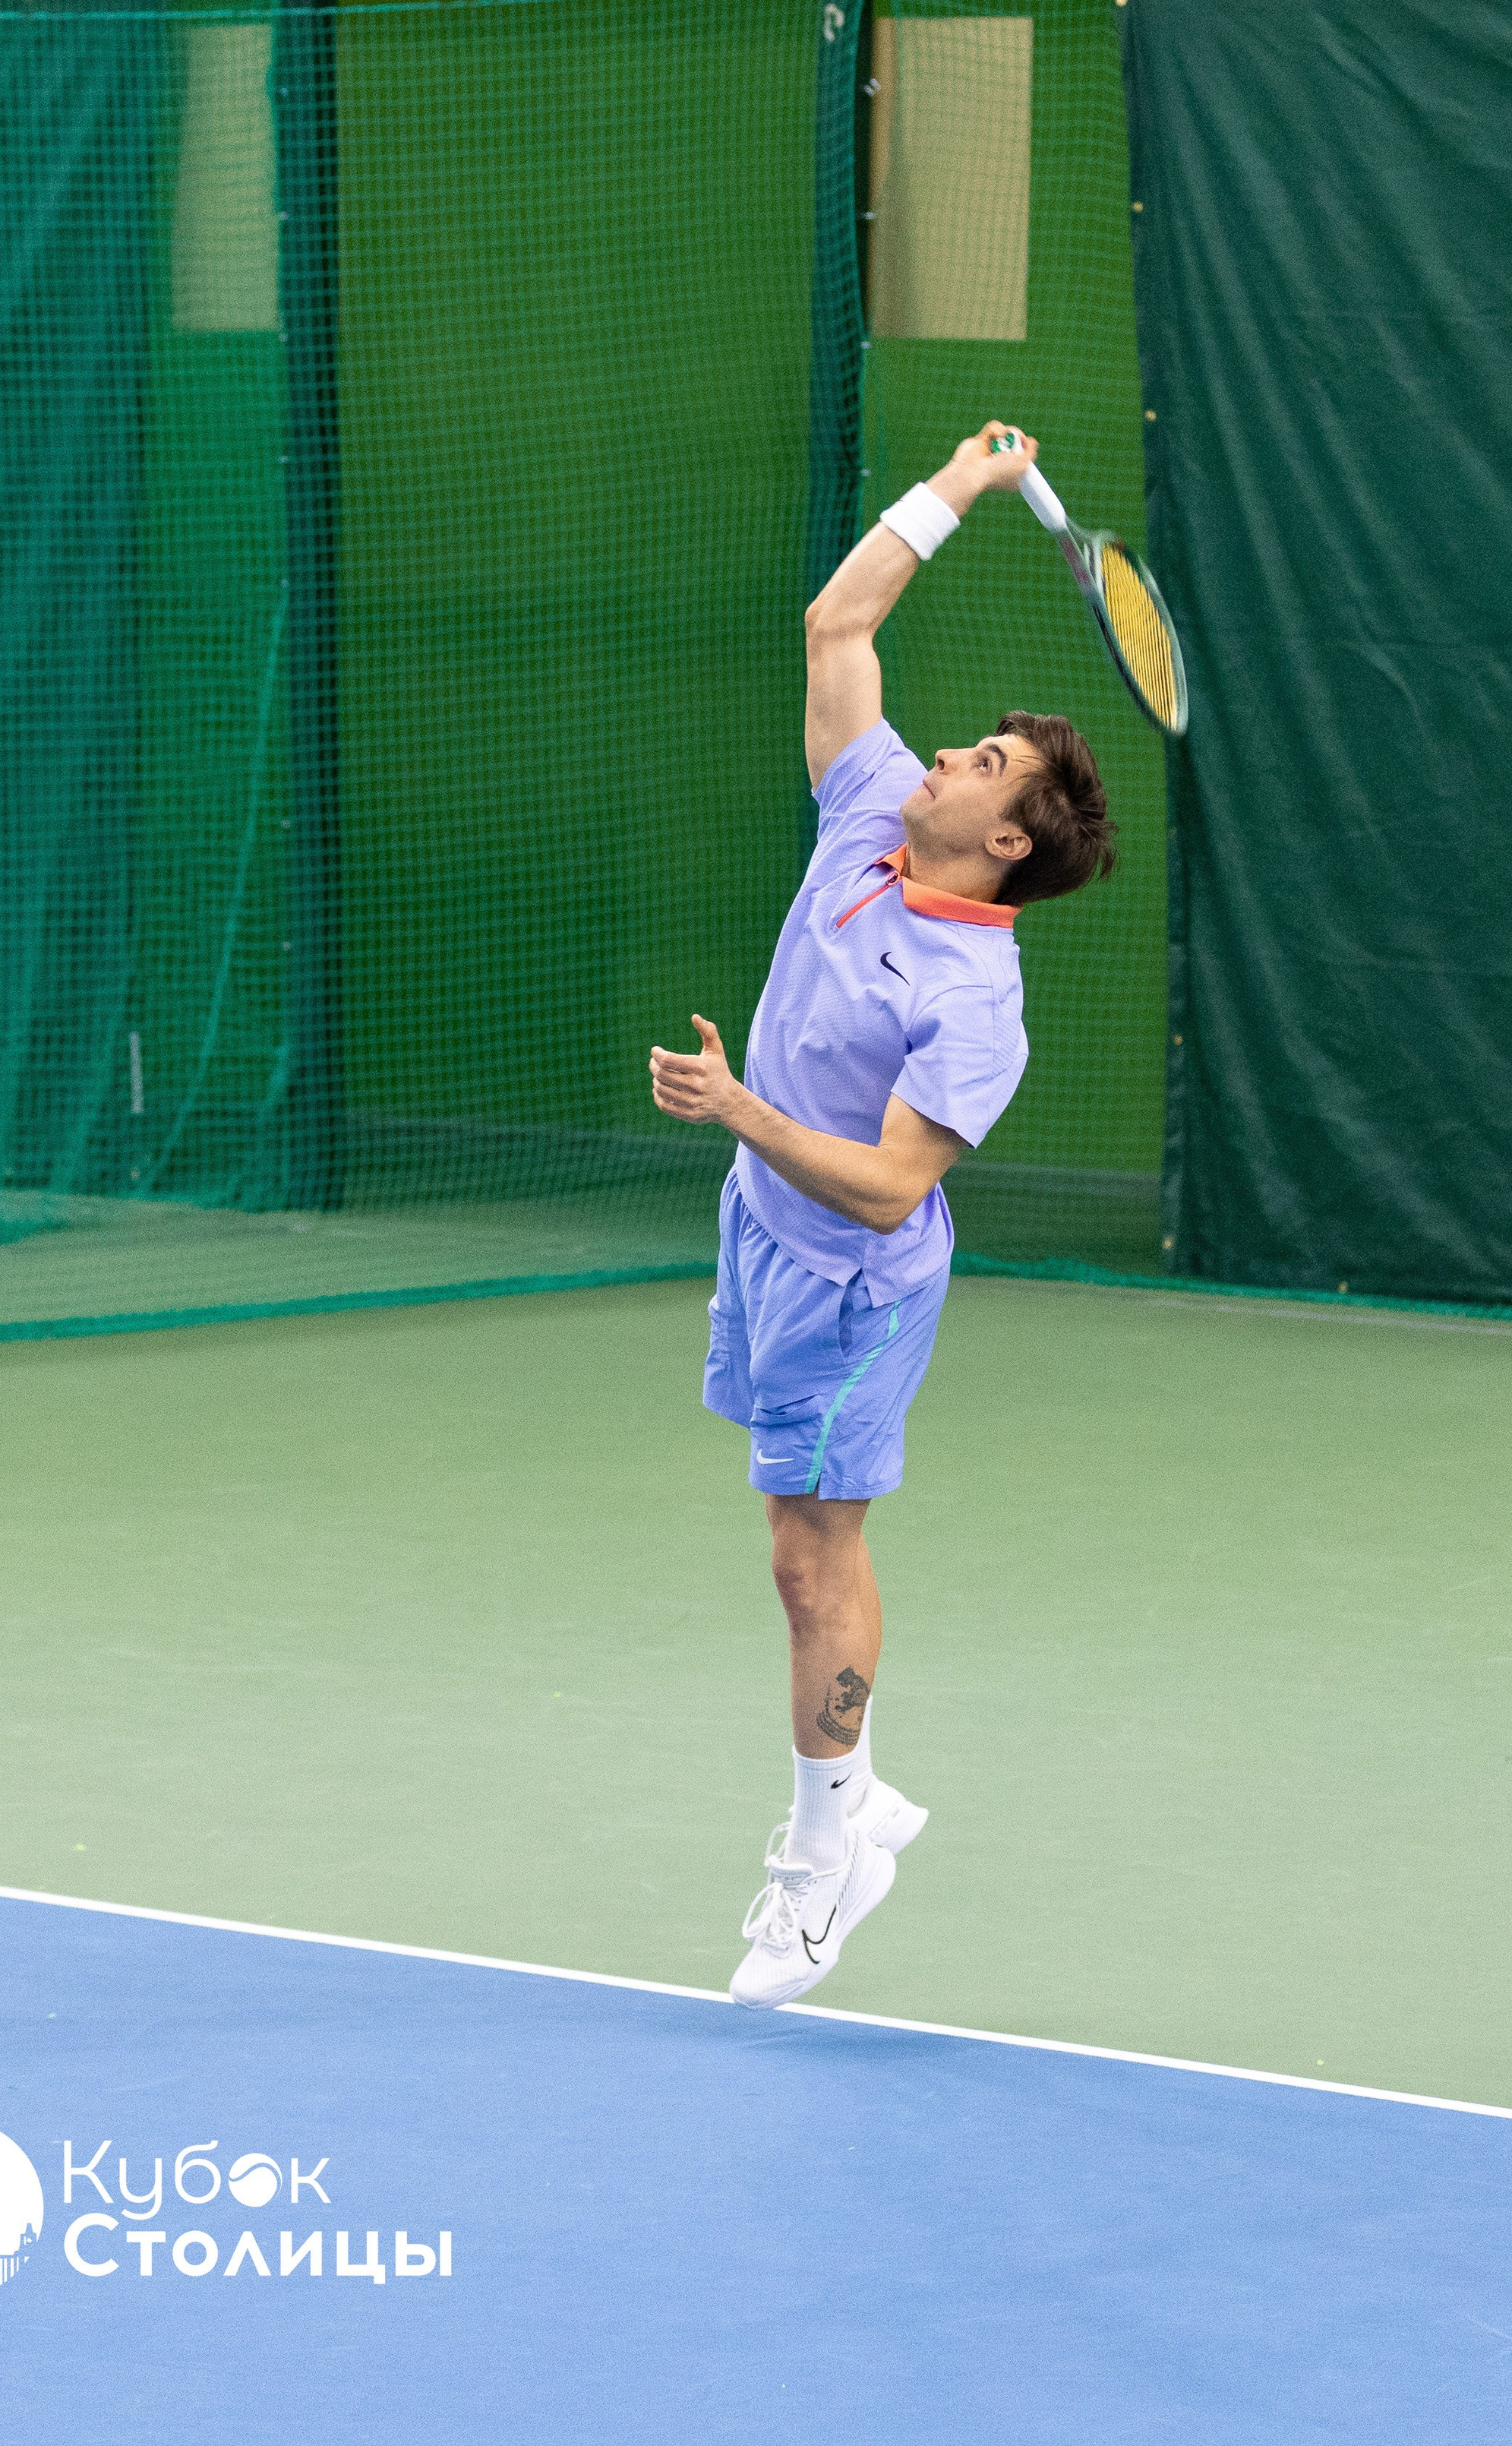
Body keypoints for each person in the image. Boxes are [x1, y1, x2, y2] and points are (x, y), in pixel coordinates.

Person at [649, 423, 1117, 2008]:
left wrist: (744, 1111)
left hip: (849, 1283)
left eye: (986, 767)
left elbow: (893, 1179)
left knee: (808, 1551)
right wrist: (962, 483)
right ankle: (854, 1800)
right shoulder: (867, 814)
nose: (952, 755)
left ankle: (827, 1846)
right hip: (757, 1226)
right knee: (788, 1535)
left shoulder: (975, 1000)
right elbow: (835, 624)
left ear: (1003, 846)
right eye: (972, 744)